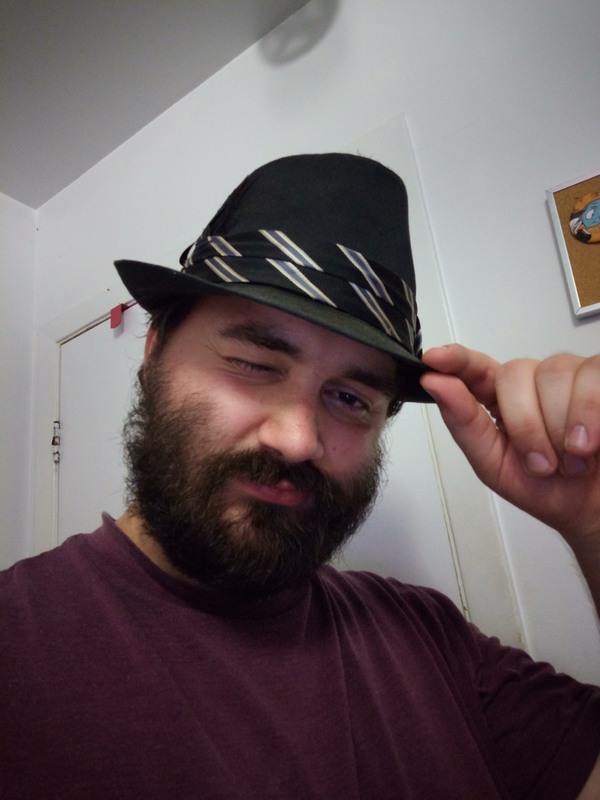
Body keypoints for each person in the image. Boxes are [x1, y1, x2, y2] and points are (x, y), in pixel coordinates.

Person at [1, 154, 599, 799]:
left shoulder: (434, 638)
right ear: (154, 356)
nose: (296, 439)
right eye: (254, 364)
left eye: (349, 398)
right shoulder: (18, 646)